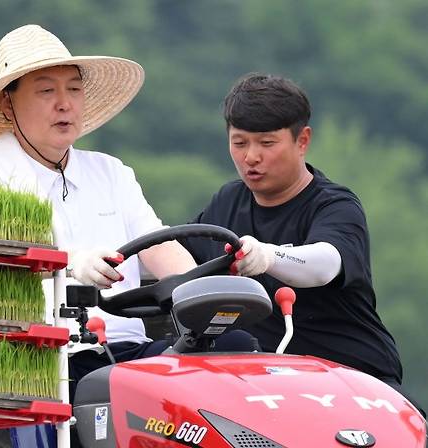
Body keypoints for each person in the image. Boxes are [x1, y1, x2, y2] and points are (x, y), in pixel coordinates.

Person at [0, 24, 203, 447]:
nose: (64, 104)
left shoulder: (111, 172)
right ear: (8, 105)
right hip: (49, 360)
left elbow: (160, 246)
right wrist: (71, 265)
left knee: (233, 346)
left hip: (127, 353)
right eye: (46, 91)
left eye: (74, 89)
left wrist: (207, 290)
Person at [181, 72, 424, 416]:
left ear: (302, 140)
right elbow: (173, 257)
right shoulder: (226, 202)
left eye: (266, 144)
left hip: (353, 381)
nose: (251, 157)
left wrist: (268, 256)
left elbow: (325, 263)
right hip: (264, 387)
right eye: (239, 143)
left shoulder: (335, 205)